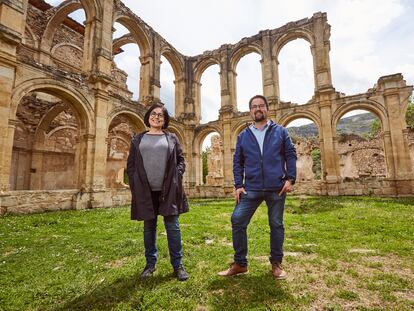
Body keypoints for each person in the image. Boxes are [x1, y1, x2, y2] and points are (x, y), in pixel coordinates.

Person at [218, 95, 297, 279]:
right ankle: (240, 263)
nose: (258, 109)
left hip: (276, 187)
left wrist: (290, 179)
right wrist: (238, 185)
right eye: (254, 106)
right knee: (237, 219)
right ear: (250, 111)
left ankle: (276, 264)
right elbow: (238, 162)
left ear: (267, 109)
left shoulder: (280, 131)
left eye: (261, 105)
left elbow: (291, 155)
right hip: (251, 187)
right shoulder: (244, 135)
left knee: (276, 224)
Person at [127, 103, 189, 281]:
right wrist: (135, 181)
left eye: (161, 115)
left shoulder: (172, 138)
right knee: (149, 228)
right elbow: (131, 165)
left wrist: (177, 175)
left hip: (168, 189)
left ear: (165, 119)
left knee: (173, 227)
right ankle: (150, 264)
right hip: (146, 191)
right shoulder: (138, 139)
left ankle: (178, 266)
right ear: (148, 117)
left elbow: (181, 160)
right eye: (153, 114)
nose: (156, 117)